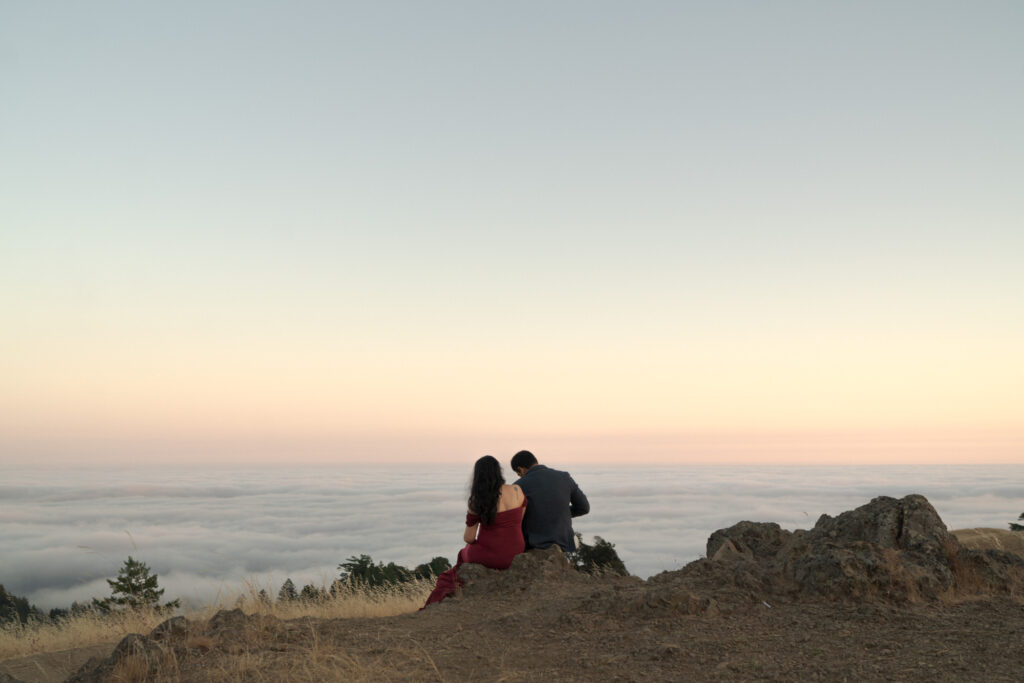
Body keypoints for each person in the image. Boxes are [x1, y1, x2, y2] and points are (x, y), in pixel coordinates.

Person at [422, 455, 526, 608]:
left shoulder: (479, 500)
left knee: (456, 564)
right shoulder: (517, 490)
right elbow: (519, 521)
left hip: (492, 555)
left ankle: (439, 604)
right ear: (499, 472)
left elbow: (469, 538)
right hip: (517, 550)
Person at [510, 450, 589, 553]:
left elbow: (515, 519)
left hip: (534, 546)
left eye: (518, 474)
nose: (520, 476)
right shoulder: (564, 477)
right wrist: (560, 512)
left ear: (520, 469)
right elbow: (584, 508)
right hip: (564, 544)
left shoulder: (518, 486)